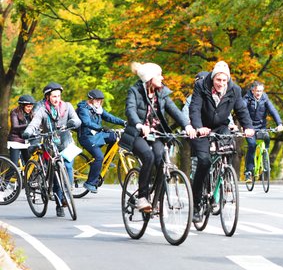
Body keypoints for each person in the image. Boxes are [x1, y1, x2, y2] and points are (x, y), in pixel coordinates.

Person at [119, 62, 196, 212]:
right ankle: (142, 197)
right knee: (148, 157)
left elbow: (174, 110)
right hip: (138, 134)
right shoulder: (135, 91)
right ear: (149, 78)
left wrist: (187, 125)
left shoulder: (162, 93)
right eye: (159, 75)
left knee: (161, 159)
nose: (162, 77)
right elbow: (130, 110)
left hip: (156, 134)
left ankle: (156, 199)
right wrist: (139, 125)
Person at [189, 60, 254, 222]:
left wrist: (248, 127)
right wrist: (198, 127)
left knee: (230, 149)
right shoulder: (201, 87)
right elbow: (195, 108)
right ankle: (196, 203)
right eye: (218, 80)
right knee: (203, 161)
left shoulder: (235, 90)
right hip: (202, 128)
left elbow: (241, 110)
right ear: (213, 78)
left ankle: (223, 178)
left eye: (224, 80)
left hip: (221, 127)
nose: (221, 83)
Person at [22, 82, 82, 217]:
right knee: (55, 174)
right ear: (48, 97)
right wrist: (28, 131)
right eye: (54, 96)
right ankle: (59, 204)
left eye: (59, 96)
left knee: (67, 166)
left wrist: (72, 123)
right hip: (50, 143)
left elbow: (77, 120)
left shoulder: (67, 107)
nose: (57, 99)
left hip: (66, 142)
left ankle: (68, 193)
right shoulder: (42, 109)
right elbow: (35, 123)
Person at [76, 89, 126, 193]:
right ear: (90, 99)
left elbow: (109, 117)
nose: (99, 102)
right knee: (99, 156)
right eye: (97, 100)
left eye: (100, 100)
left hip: (97, 134)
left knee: (114, 136)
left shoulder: (98, 109)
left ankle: (107, 162)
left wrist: (123, 122)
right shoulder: (83, 109)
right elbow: (87, 123)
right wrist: (101, 128)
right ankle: (90, 183)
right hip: (86, 137)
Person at [243, 81, 283, 182]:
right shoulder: (246, 99)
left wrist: (279, 124)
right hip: (249, 127)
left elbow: (273, 110)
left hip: (261, 126)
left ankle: (265, 158)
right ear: (253, 91)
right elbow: (242, 111)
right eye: (257, 91)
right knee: (252, 145)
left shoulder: (265, 98)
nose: (259, 93)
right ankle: (248, 172)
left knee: (266, 139)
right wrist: (245, 125)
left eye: (261, 91)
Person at [7, 95, 36, 167]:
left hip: (25, 141)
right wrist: (29, 125)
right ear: (22, 105)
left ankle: (27, 178)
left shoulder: (31, 113)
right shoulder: (15, 112)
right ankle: (5, 178)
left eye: (31, 106)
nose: (30, 108)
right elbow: (15, 127)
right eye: (28, 106)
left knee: (29, 164)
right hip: (15, 141)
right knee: (14, 166)